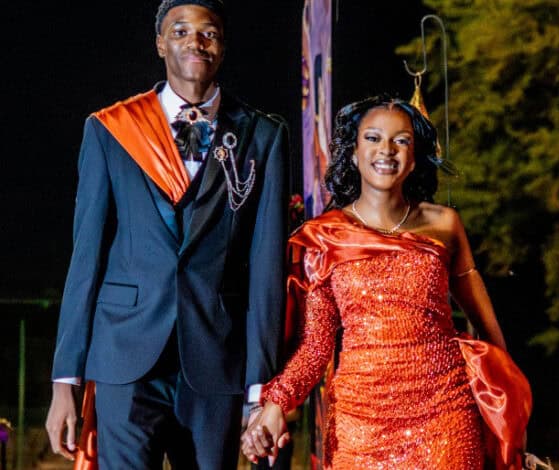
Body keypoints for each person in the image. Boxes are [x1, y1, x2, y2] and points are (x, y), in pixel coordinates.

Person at [45, 1, 289, 468]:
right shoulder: (110, 130)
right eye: (180, 31)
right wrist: (65, 381)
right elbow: (86, 257)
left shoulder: (263, 136)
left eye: (208, 33)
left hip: (216, 359)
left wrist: (262, 390)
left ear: (222, 45)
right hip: (124, 358)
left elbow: (266, 269)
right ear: (160, 43)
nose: (195, 42)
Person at [241, 96, 512, 468]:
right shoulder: (326, 237)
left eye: (400, 140)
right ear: (353, 153)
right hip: (360, 425)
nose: (386, 149)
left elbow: (488, 329)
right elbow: (317, 346)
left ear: (414, 157)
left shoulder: (445, 224)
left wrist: (506, 398)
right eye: (372, 138)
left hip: (445, 413)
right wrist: (276, 404)